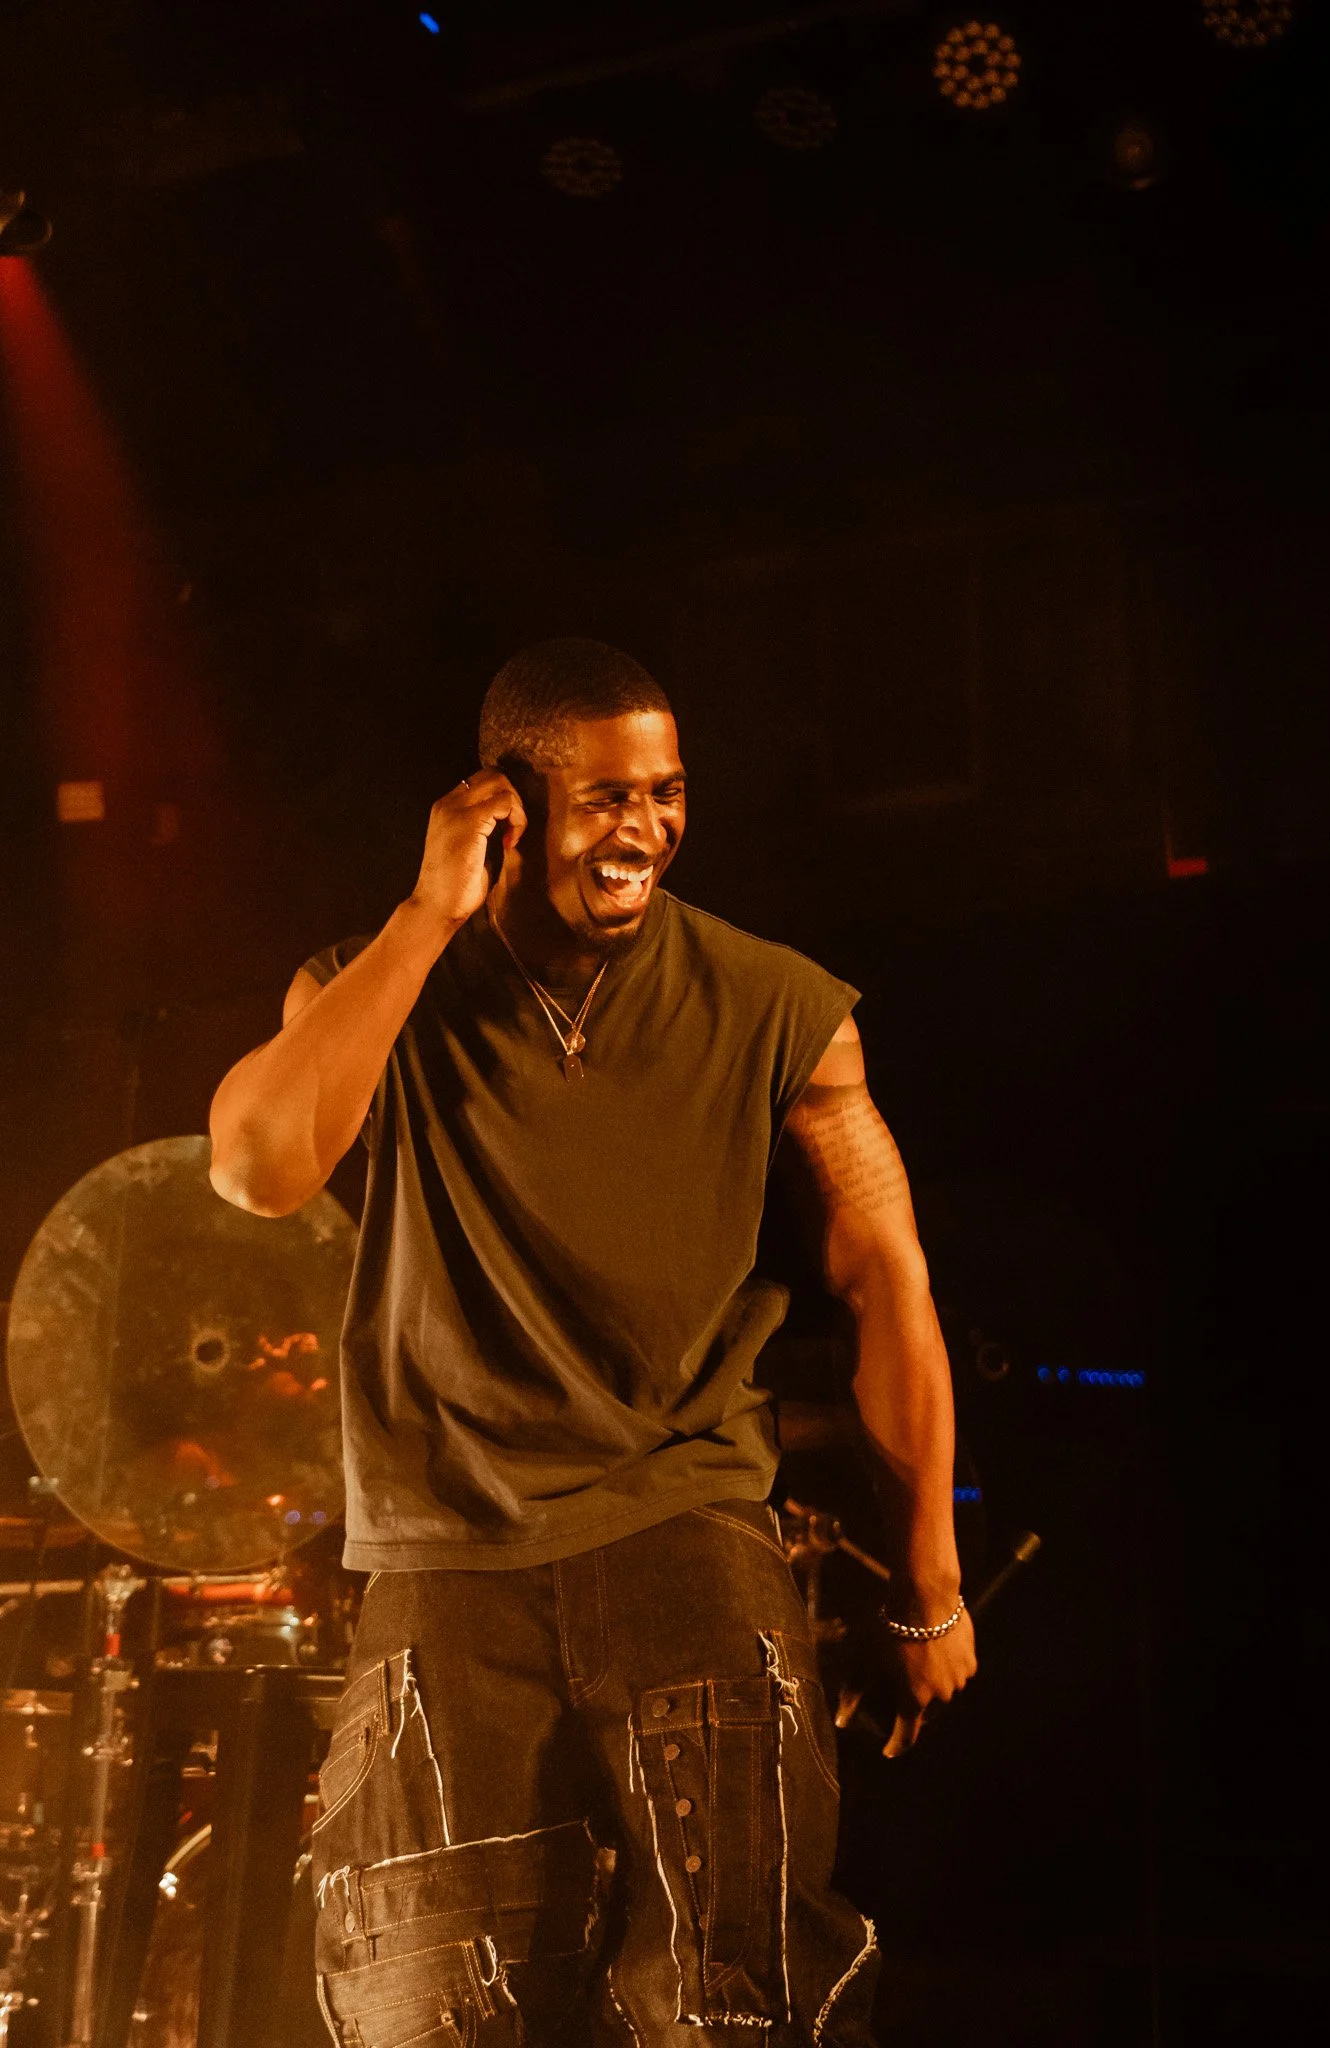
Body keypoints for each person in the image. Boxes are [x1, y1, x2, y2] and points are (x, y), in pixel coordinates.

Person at [208, 639, 976, 2046]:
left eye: (667, 792)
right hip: (445, 1560)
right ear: (505, 803)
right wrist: (427, 915)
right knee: (435, 2008)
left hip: (684, 1536)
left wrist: (928, 1585)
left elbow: (889, 1282)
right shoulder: (379, 985)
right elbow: (257, 1170)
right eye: (609, 797)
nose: (646, 829)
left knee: (741, 2003)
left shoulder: (777, 1005)